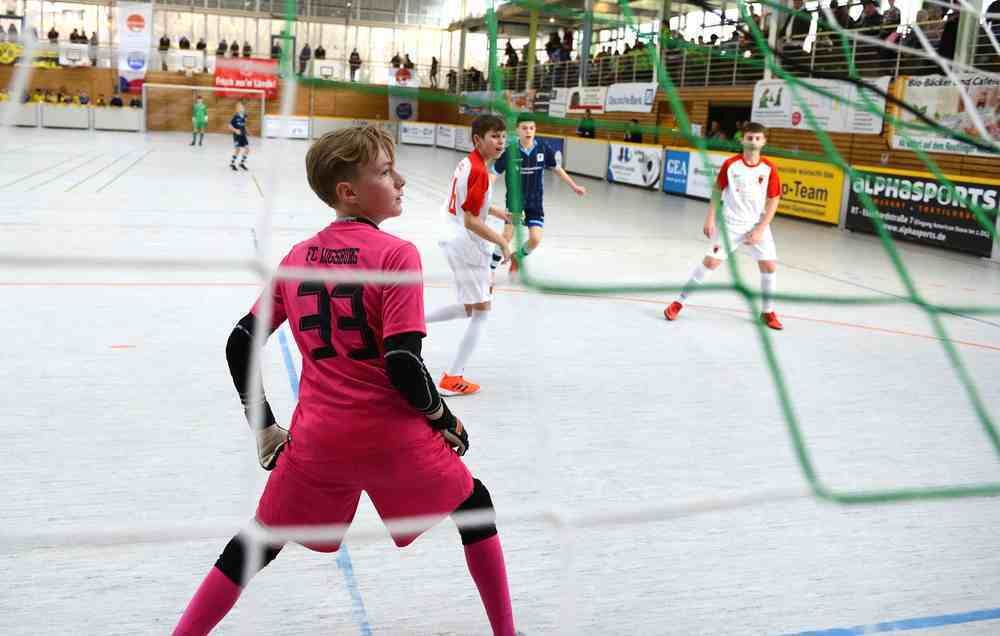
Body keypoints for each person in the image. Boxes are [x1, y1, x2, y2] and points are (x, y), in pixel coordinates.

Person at [170, 126, 517, 636]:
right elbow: (402, 363)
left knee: (260, 540)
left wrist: (265, 427)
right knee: (474, 504)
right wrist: (444, 418)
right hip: (393, 438)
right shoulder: (396, 256)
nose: (400, 180)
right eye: (385, 171)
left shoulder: (296, 259)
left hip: (319, 440)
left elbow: (239, 343)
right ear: (346, 192)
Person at [664, 122, 784, 331]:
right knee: (710, 263)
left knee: (769, 266)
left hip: (757, 224)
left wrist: (760, 229)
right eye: (750, 138)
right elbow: (718, 190)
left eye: (757, 138)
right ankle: (678, 302)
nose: (753, 142)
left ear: (764, 142)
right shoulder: (731, 165)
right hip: (731, 224)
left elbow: (774, 199)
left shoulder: (769, 168)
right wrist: (710, 218)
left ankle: (767, 311)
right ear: (742, 140)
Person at [427, 115, 511, 396]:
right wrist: (502, 242)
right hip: (465, 244)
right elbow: (471, 221)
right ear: (478, 140)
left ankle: (409, 322)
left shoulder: (469, 163)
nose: (501, 142)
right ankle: (453, 376)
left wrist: (498, 212)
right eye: (494, 136)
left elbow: (466, 205)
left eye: (502, 136)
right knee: (482, 311)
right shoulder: (478, 172)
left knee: (469, 307)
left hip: (452, 237)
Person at [492, 113, 586, 278]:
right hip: (515, 201)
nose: (528, 131)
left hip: (535, 202)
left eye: (532, 128)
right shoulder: (510, 151)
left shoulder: (543, 148)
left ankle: (517, 257)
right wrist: (484, 188)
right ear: (517, 130)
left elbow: (557, 168)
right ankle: (490, 270)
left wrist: (574, 186)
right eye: (524, 128)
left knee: (535, 239)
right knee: (507, 235)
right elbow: (494, 173)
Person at [229, 100, 249, 171]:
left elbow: (243, 125)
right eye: (239, 107)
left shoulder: (245, 116)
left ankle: (241, 163)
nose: (241, 108)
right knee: (238, 149)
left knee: (247, 149)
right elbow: (230, 126)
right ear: (237, 108)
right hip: (237, 136)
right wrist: (235, 130)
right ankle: (232, 163)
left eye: (242, 107)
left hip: (243, 135)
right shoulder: (235, 117)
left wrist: (246, 130)